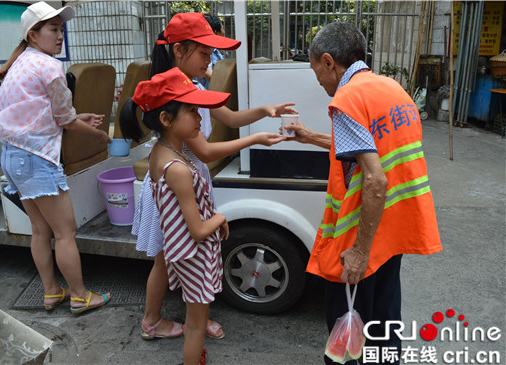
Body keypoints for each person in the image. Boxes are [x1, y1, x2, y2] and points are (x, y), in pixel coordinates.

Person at [124, 12, 294, 341]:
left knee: (186, 257)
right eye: (204, 52)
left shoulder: (194, 86)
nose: (211, 58)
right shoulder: (175, 95)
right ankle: (154, 321)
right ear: (179, 51)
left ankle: (194, 316)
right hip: (174, 186)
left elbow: (228, 115)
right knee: (167, 259)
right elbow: (204, 151)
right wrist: (256, 138)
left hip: (187, 182)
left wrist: (265, 111)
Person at [283, 22, 442, 364]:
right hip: (393, 229)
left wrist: (358, 252)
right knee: (385, 324)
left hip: (362, 234)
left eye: (317, 73)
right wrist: (310, 137)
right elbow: (370, 148)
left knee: (348, 340)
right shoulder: (390, 88)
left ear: (329, 62)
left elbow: (375, 180)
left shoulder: (346, 98)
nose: (321, 83)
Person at [0, 2, 111, 315]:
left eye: (61, 28)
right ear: (33, 34)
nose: (60, 35)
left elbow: (45, 113)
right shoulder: (49, 66)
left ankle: (52, 292)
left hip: (13, 157)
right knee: (65, 232)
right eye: (53, 29)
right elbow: (67, 122)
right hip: (36, 159)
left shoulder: (20, 64)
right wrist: (98, 135)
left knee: (40, 231)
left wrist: (76, 116)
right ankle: (81, 295)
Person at [122, 67, 232, 365]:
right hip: (194, 254)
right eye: (193, 111)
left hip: (180, 251)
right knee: (195, 326)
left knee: (195, 320)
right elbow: (197, 230)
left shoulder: (160, 151)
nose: (200, 118)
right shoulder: (179, 169)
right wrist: (220, 219)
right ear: (166, 119)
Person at [194, 15, 225, 89]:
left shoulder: (215, 52)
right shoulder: (205, 51)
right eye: (222, 29)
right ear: (216, 32)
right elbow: (209, 73)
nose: (224, 32)